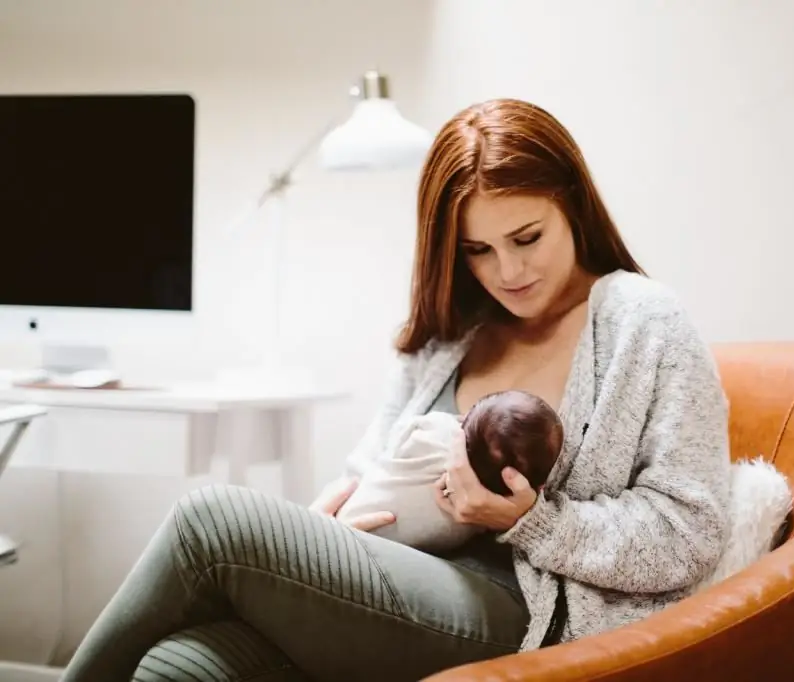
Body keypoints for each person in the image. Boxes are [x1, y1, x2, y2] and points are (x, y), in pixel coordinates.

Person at [60, 98, 731, 682]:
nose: (510, 270)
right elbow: (372, 471)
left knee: (211, 523)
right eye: (478, 250)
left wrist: (531, 521)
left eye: (528, 237)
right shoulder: (451, 337)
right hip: (398, 580)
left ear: (573, 208)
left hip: (528, 611)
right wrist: (334, 509)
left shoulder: (646, 322)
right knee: (177, 668)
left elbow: (690, 532)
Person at [336, 389, 563, 553]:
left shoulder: (438, 431)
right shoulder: (475, 522)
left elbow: (400, 432)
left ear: (465, 418)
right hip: (369, 546)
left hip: (347, 524)